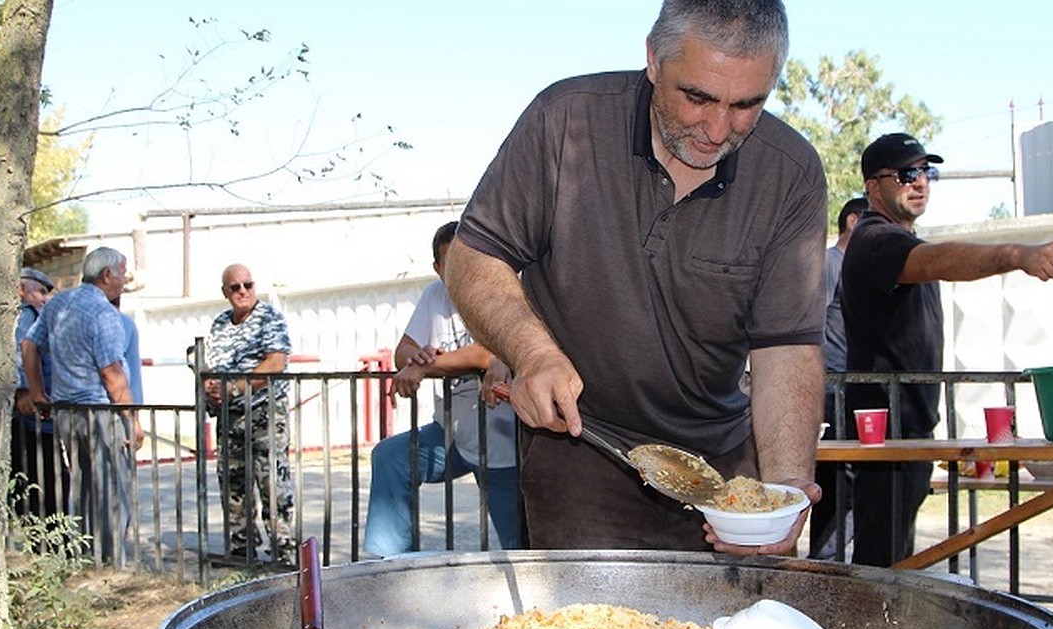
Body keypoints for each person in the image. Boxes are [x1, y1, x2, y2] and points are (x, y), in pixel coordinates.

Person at [444, 0, 827, 554]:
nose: (718, 130)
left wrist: (786, 487)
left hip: (722, 467)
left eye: (747, 104)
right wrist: (532, 353)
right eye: (697, 97)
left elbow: (787, 346)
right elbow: (475, 255)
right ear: (653, 58)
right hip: (582, 447)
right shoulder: (564, 120)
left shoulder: (791, 173)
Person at [842, 132, 1053, 566]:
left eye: (926, 172)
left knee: (895, 562)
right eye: (906, 173)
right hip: (885, 434)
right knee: (879, 566)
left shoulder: (902, 240)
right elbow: (939, 261)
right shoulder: (875, 240)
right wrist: (1016, 255)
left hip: (909, 428)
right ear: (873, 187)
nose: (920, 182)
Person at [364, 222, 520, 557]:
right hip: (452, 434)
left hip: (504, 442)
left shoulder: (497, 291)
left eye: (468, 258)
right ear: (438, 269)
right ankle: (390, 566)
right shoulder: (434, 296)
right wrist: (415, 358)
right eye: (450, 262)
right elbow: (403, 351)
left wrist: (424, 365)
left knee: (518, 547)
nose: (460, 269)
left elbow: (482, 353)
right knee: (390, 458)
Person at [22, 248, 143, 563]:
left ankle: (86, 557)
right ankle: (110, 563)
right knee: (112, 490)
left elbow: (29, 344)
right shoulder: (104, 313)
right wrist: (132, 422)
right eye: (122, 271)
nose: (124, 278)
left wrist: (38, 392)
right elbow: (112, 375)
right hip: (99, 413)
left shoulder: (58, 303)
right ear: (106, 275)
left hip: (66, 413)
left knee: (84, 488)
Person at [204, 264, 296, 564]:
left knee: (272, 480)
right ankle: (241, 546)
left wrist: (233, 387)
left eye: (248, 284)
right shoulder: (220, 324)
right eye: (235, 287)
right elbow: (212, 365)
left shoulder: (268, 317)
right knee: (233, 482)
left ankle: (283, 549)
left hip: (264, 412)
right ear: (225, 292)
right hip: (229, 417)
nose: (242, 291)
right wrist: (212, 388)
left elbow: (275, 362)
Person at [808, 196, 866, 560]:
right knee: (834, 477)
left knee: (854, 479)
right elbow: (811, 326)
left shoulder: (859, 268)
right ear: (853, 222)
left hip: (853, 389)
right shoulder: (830, 263)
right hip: (831, 389)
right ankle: (824, 562)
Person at [10, 267, 69, 526]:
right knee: (47, 481)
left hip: (38, 413)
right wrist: (25, 392)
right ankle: (50, 541)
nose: (45, 298)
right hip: (32, 415)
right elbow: (19, 351)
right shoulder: (25, 316)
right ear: (22, 290)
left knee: (42, 481)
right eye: (41, 292)